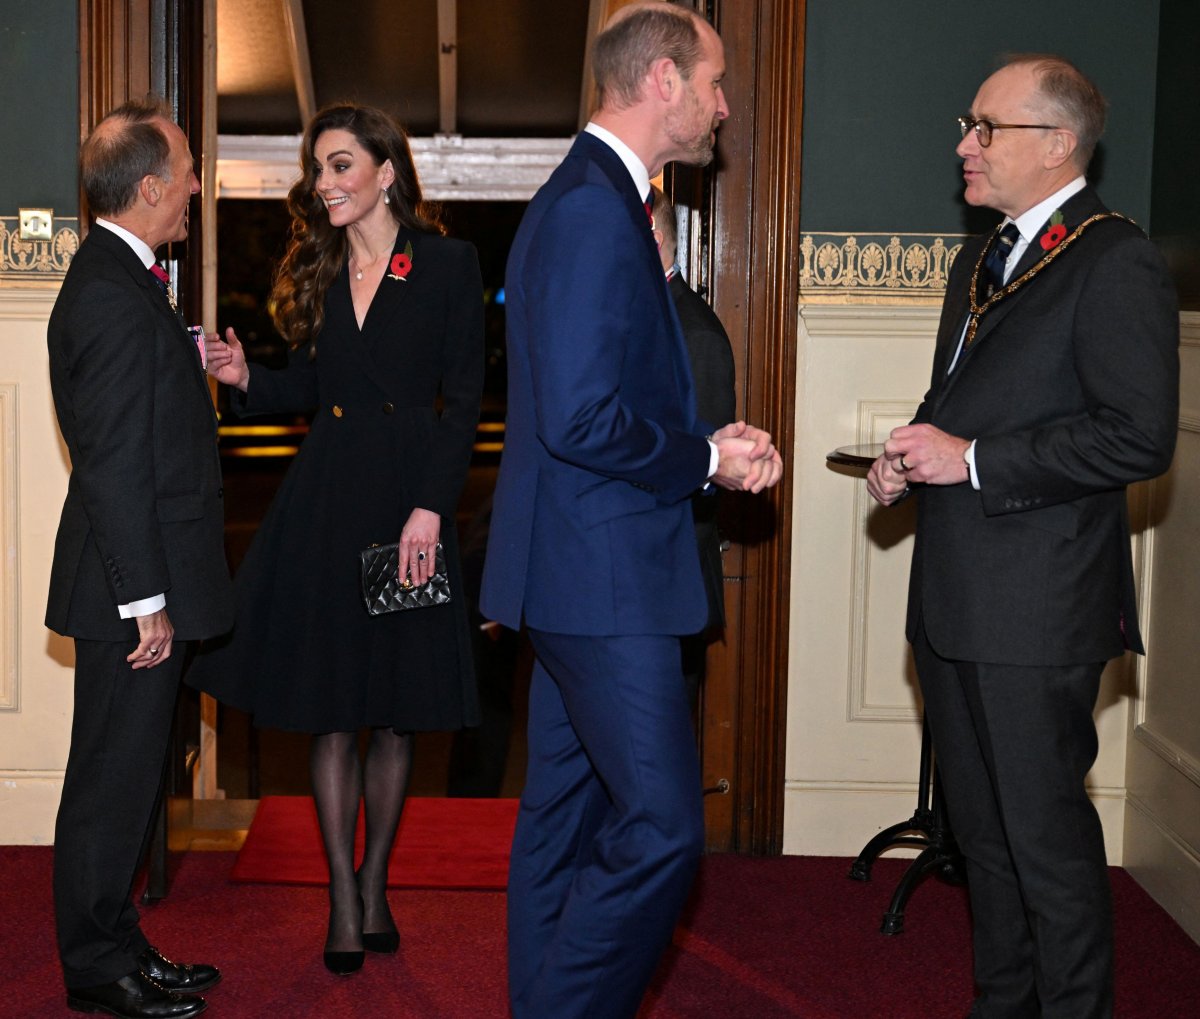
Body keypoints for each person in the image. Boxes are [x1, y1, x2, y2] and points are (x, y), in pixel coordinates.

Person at [479, 5, 783, 1017]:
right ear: (662, 79)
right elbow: (580, 418)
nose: (722, 104)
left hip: (579, 568)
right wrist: (703, 456)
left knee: (564, 821)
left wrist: (713, 449)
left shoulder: (601, 197)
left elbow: (606, 395)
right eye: (714, 82)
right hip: (601, 578)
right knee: (662, 828)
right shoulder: (590, 210)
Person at [866, 55, 1178, 1017]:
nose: (964, 143)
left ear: (1056, 144)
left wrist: (972, 459)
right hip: (956, 601)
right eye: (969, 124)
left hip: (1040, 612)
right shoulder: (982, 255)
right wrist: (910, 454)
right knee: (985, 840)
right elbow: (956, 402)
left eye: (985, 127)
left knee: (1044, 843)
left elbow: (1139, 434)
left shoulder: (1113, 257)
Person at [188, 104, 484, 975]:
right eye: (319, 169)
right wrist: (250, 378)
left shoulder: (445, 264)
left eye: (342, 166)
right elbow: (320, 385)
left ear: (387, 171)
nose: (325, 184)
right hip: (327, 505)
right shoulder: (323, 270)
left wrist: (432, 508)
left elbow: (462, 400)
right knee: (331, 711)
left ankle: (377, 876)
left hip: (407, 511)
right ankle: (342, 899)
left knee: (395, 714)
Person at [46, 100, 233, 1019]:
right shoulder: (114, 296)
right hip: (130, 591)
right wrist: (148, 601)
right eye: (189, 170)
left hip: (135, 580)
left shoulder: (123, 280)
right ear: (151, 187)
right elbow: (116, 466)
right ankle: (93, 965)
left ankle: (117, 941)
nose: (198, 184)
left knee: (125, 776)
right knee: (110, 781)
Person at [650, 183, 736, 706]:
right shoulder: (641, 316)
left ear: (653, 236)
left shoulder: (693, 332)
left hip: (670, 577)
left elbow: (706, 466)